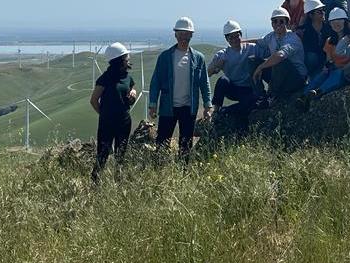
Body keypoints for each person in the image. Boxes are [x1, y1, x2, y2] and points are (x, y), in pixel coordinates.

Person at [148, 17, 212, 160]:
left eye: (186, 33)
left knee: (186, 144)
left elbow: (204, 83)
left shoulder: (198, 58)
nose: (183, 37)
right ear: (175, 34)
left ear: (191, 35)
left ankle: (184, 171)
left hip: (189, 108)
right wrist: (152, 105)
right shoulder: (164, 57)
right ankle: (159, 170)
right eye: (180, 33)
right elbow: (155, 82)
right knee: (162, 142)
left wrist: (208, 105)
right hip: (167, 107)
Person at [89, 42, 139, 183]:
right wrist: (104, 114)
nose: (128, 58)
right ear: (120, 60)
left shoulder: (127, 76)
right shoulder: (105, 78)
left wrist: (134, 93)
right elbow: (93, 100)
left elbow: (132, 86)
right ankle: (95, 181)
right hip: (108, 123)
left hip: (124, 121)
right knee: (103, 153)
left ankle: (119, 180)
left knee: (121, 153)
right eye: (126, 56)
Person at [299, 7, 350, 110]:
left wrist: (338, 66)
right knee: (321, 75)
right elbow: (328, 59)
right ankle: (304, 96)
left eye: (339, 20)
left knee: (338, 74)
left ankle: (319, 92)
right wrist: (327, 67)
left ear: (345, 22)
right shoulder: (329, 40)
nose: (336, 24)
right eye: (333, 22)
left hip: (346, 70)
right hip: (333, 68)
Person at [253, 7, 308, 103]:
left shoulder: (293, 38)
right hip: (280, 76)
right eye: (275, 21)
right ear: (272, 23)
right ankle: (260, 95)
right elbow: (259, 42)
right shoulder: (271, 36)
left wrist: (261, 67)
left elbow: (280, 56)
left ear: (287, 23)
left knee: (280, 62)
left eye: (281, 21)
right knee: (252, 60)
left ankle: (272, 96)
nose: (278, 24)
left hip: (296, 78)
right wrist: (239, 42)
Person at [208, 20, 258, 118]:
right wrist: (217, 65)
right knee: (223, 80)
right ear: (227, 39)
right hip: (233, 88)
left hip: (248, 88)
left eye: (236, 36)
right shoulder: (222, 54)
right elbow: (208, 73)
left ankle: (225, 111)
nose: (234, 39)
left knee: (252, 103)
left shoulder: (252, 48)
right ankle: (216, 110)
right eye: (231, 37)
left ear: (241, 35)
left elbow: (265, 45)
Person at [296, 0, 333, 77]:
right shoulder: (304, 30)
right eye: (319, 12)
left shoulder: (328, 27)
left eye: (323, 10)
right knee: (311, 57)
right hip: (311, 60)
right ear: (311, 15)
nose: (323, 13)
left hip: (326, 58)